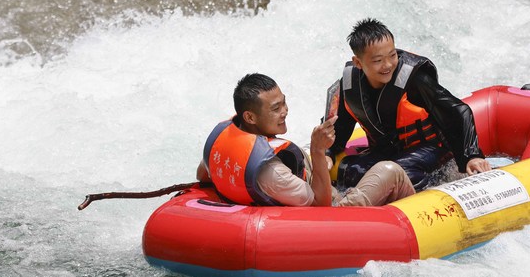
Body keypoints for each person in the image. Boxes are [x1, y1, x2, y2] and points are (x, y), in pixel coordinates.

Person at [197, 73, 414, 207]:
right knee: (390, 171)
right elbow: (321, 204)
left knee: (303, 150)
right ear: (250, 117)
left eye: (284, 103)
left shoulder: (225, 136)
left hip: (292, 190)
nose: (285, 111)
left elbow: (203, 174)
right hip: (333, 217)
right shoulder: (272, 173)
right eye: (276, 109)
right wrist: (319, 153)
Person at [328, 18, 490, 191]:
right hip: (389, 153)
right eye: (378, 60)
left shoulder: (415, 80)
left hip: (432, 152)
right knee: (352, 171)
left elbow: (458, 111)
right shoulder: (349, 88)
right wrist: (327, 154)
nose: (388, 64)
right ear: (358, 63)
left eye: (392, 55)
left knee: (396, 172)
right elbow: (338, 127)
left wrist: (471, 156)